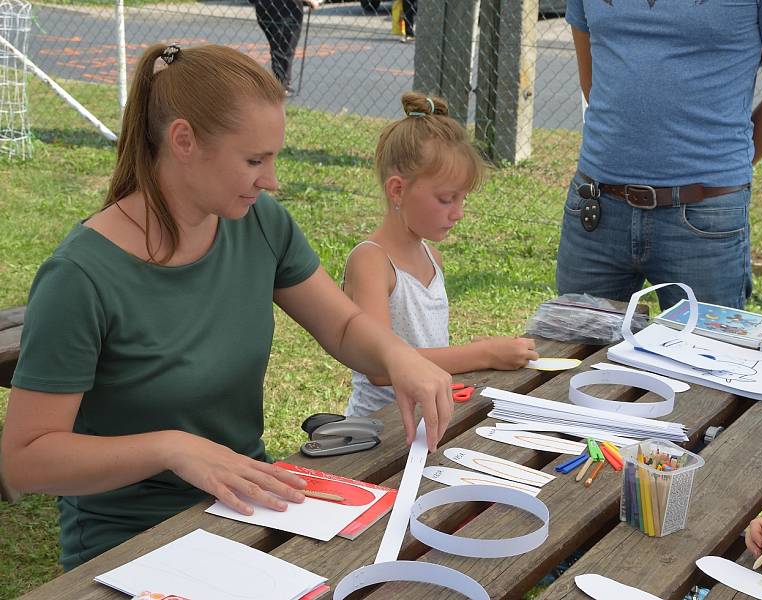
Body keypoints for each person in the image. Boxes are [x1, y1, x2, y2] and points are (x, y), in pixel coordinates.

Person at [0, 44, 452, 571]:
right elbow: (24, 460)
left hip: (248, 511)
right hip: (129, 544)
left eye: (274, 158)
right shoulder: (80, 278)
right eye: (254, 160)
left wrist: (400, 357)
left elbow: (345, 326)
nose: (272, 180)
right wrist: (171, 448)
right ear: (184, 141)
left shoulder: (260, 223)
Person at [556, 0, 762, 311]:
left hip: (704, 216)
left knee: (702, 357)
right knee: (577, 354)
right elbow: (593, 84)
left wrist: (720, 166)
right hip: (596, 208)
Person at [342, 92, 539, 417]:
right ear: (398, 190)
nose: (458, 213)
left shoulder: (432, 257)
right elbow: (378, 367)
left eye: (463, 199)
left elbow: (428, 352)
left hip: (428, 420)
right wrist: (484, 354)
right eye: (447, 199)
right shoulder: (372, 262)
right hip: (378, 432)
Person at [252, 0, 319, 94]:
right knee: (285, 46)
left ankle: (280, 82)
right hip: (286, 7)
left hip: (264, 5)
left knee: (278, 45)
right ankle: (280, 85)